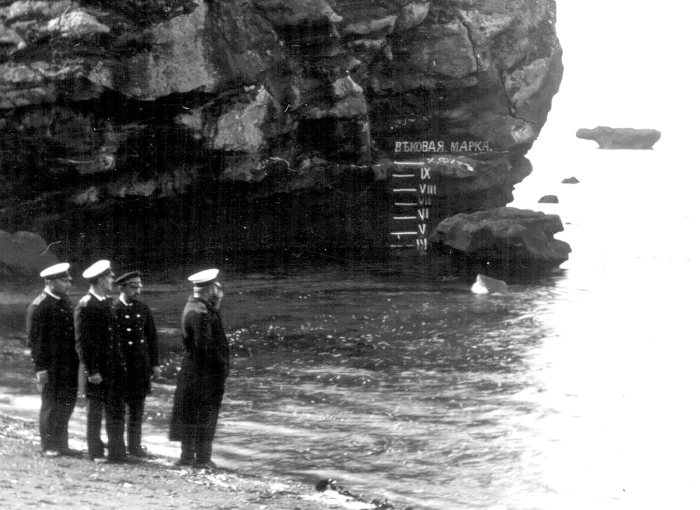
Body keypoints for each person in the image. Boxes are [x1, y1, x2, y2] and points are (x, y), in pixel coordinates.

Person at [169, 269, 229, 469]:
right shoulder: (199, 312)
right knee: (205, 415)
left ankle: (189, 457)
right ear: (210, 289)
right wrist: (222, 367)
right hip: (203, 373)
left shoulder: (197, 306)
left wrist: (217, 303)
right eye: (215, 287)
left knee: (193, 413)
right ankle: (201, 459)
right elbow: (206, 347)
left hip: (196, 371)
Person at [74, 259, 127, 463]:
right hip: (97, 369)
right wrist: (92, 370)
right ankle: (95, 452)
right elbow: (83, 343)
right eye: (109, 277)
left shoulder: (106, 301)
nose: (112, 280)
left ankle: (117, 452)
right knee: (95, 414)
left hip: (113, 367)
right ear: (100, 280)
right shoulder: (86, 305)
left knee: (116, 409)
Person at [26, 262, 81, 457]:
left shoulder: (64, 300)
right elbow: (34, 341)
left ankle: (62, 444)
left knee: (67, 402)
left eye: (69, 280)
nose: (69, 284)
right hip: (50, 365)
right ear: (51, 282)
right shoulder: (39, 306)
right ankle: (48, 445)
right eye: (64, 280)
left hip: (68, 363)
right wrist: (40, 368)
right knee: (50, 404)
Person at [112, 271, 160, 458]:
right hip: (120, 367)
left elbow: (152, 338)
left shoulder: (143, 308)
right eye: (133, 287)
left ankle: (135, 446)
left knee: (137, 408)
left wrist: (155, 364)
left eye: (139, 287)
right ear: (121, 288)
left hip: (139, 367)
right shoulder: (113, 309)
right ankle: (118, 447)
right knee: (117, 409)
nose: (138, 291)